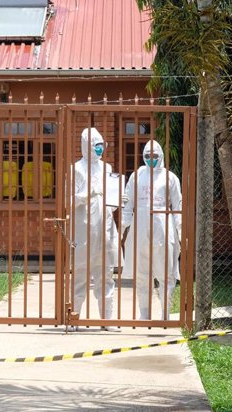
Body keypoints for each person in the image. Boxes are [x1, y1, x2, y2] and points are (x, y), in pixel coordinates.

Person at [122, 139, 182, 320]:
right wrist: (123, 226)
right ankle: (144, 313)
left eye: (155, 156)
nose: (151, 159)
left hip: (163, 229)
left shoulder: (169, 177)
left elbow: (178, 206)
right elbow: (128, 203)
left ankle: (165, 314)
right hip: (140, 229)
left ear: (161, 156)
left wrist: (181, 230)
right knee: (142, 273)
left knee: (166, 272)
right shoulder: (136, 176)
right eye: (147, 156)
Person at [70, 127, 119, 331]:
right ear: (86, 146)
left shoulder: (107, 169)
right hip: (84, 231)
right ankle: (74, 319)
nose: (99, 149)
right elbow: (69, 200)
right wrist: (87, 194)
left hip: (105, 230)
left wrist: (117, 200)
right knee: (80, 275)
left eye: (101, 145)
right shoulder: (77, 169)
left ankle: (106, 320)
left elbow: (110, 198)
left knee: (106, 275)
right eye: (95, 145)